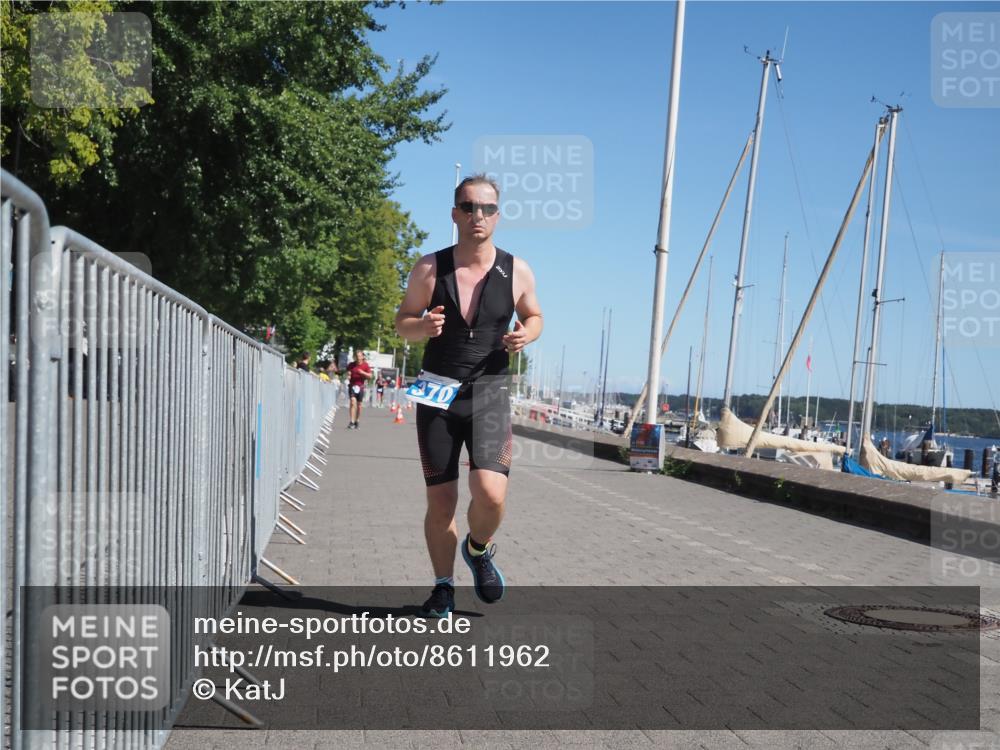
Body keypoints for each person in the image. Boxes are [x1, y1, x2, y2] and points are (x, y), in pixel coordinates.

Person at [395, 174, 543, 617]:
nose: (479, 215)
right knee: (441, 500)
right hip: (436, 390)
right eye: (469, 207)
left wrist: (525, 337)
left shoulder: (516, 269)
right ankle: (443, 586)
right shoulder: (429, 267)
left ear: (498, 215)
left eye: (488, 208)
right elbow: (403, 320)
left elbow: (534, 315)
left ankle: (478, 549)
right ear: (455, 212)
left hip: (490, 391)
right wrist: (420, 327)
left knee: (491, 492)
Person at [345, 350, 373, 429]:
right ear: (355, 357)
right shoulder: (351, 365)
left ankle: (357, 420)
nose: (358, 358)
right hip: (352, 386)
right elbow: (348, 372)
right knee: (353, 402)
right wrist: (349, 375)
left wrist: (363, 373)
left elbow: (370, 376)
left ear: (363, 357)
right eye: (357, 356)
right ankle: (352, 421)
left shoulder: (365, 365)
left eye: (360, 356)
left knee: (359, 405)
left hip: (361, 387)